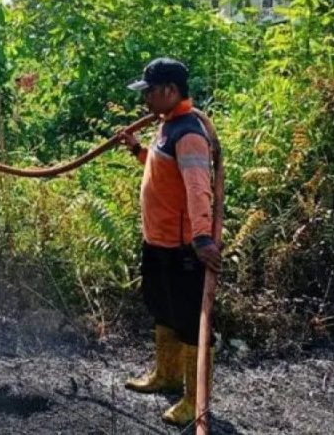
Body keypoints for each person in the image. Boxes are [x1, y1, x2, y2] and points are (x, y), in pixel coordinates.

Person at [115, 58, 222, 426]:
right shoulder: (168, 126)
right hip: (157, 242)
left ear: (170, 91)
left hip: (182, 249)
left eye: (149, 91)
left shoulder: (189, 132)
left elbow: (197, 188)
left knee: (191, 321)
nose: (144, 99)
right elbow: (162, 169)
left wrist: (203, 238)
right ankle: (166, 375)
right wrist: (137, 150)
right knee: (162, 309)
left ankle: (194, 400)